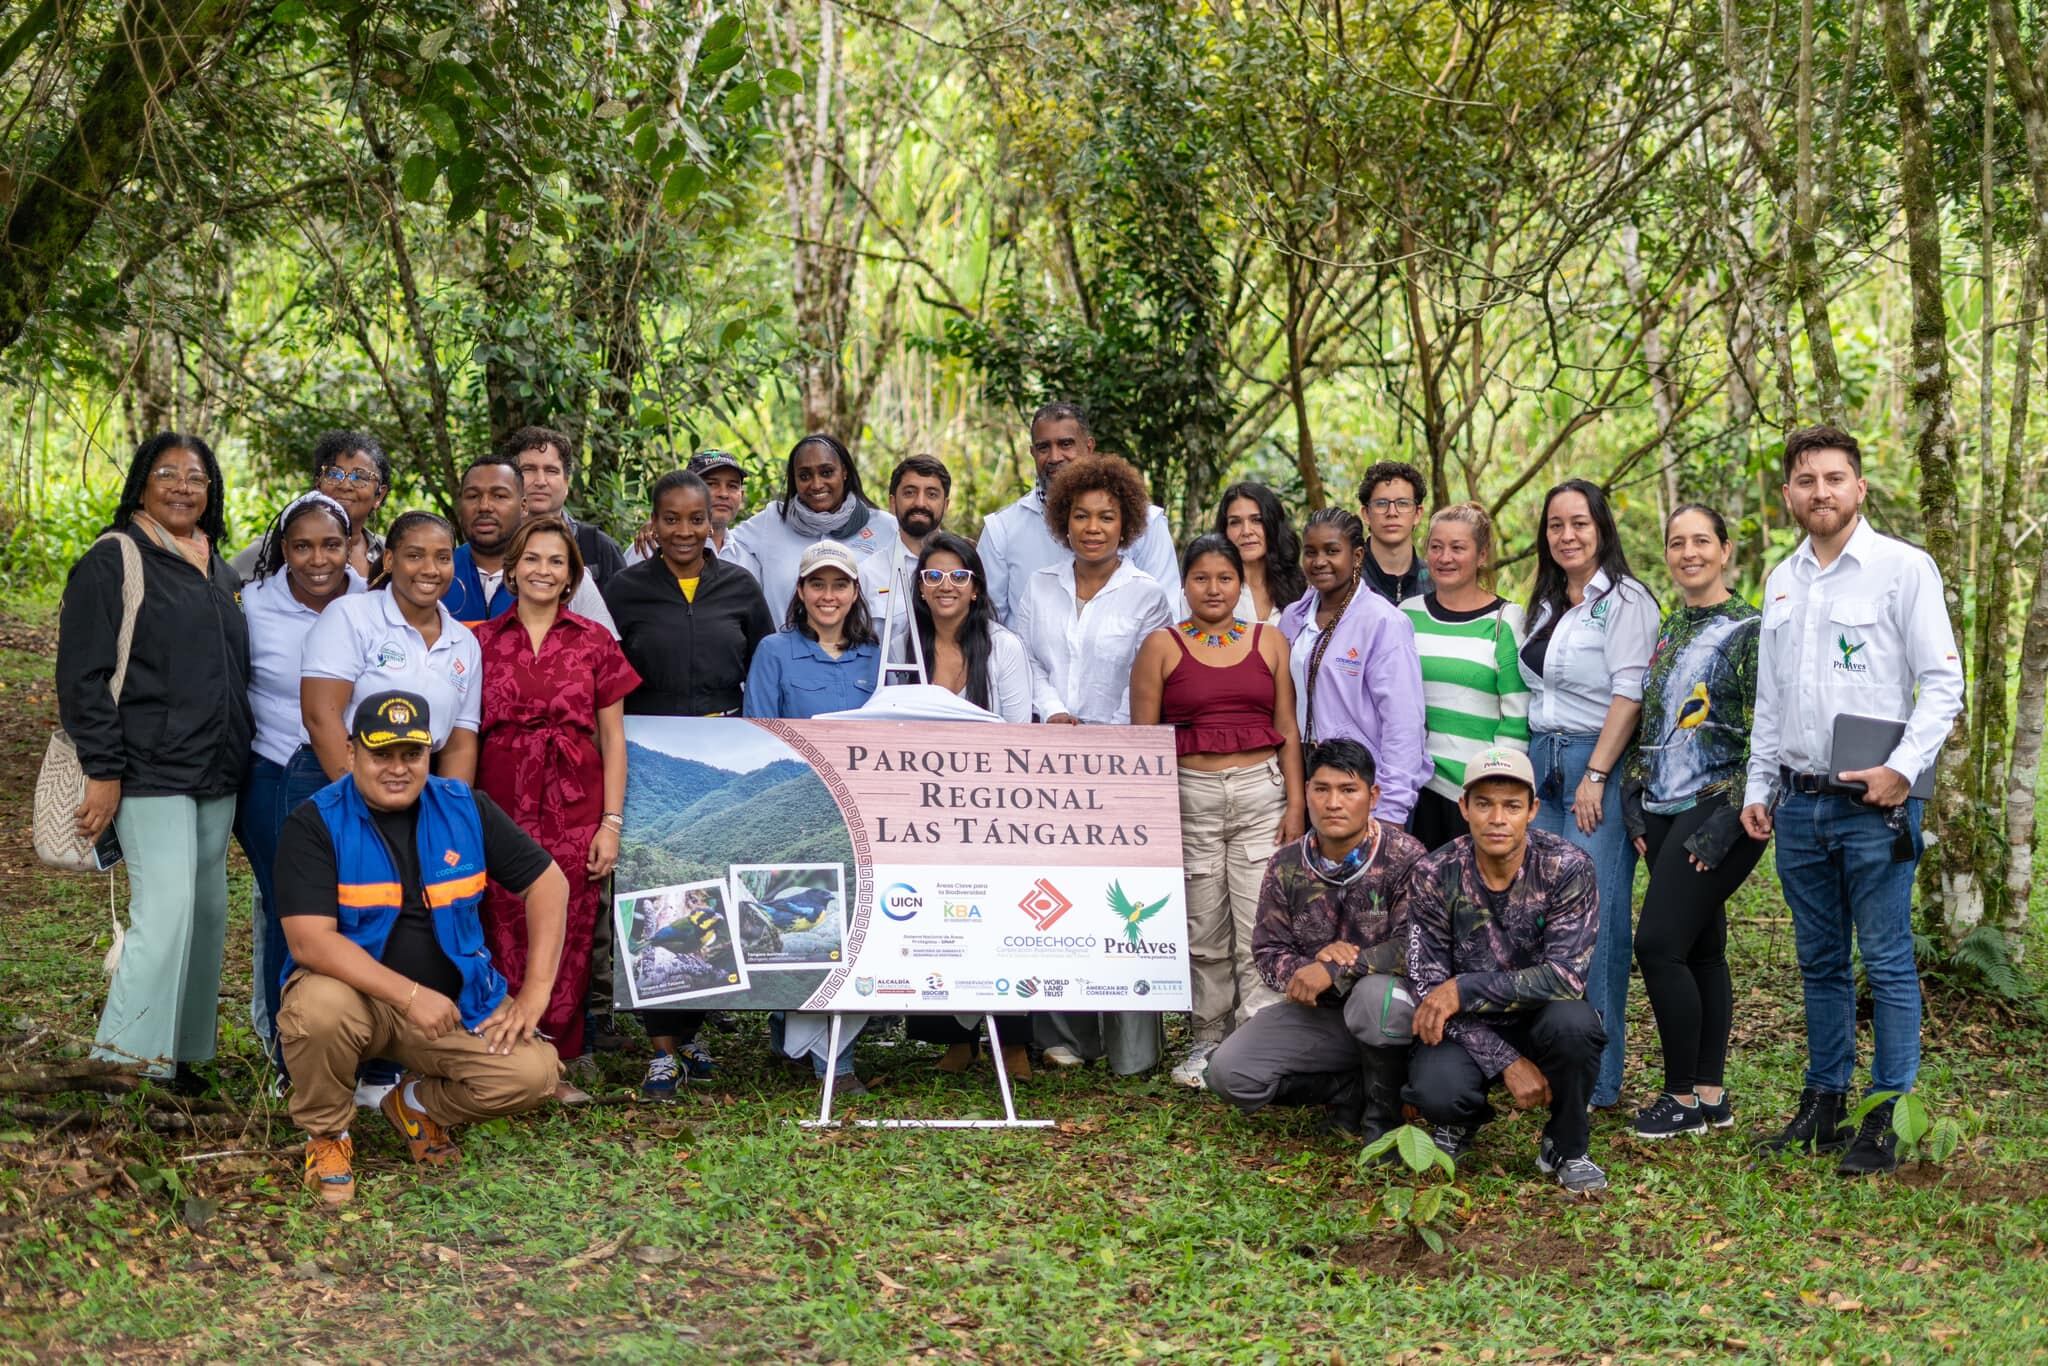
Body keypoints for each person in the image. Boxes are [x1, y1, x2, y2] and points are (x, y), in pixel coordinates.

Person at [1740, 426, 1964, 1177]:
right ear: (1789, 494)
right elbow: (1770, 700)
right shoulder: (1780, 580)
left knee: (1889, 963)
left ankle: (1886, 1115)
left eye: (1835, 478)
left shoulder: (1903, 569)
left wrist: (1903, 769)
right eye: (1806, 480)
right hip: (1799, 803)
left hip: (1875, 801)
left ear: (1859, 487)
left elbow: (1943, 683)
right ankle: (1824, 1103)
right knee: (1819, 962)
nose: (1821, 492)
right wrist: (1758, 787)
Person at [273, 691, 566, 1206]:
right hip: (356, 1001)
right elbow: (309, 941)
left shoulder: (465, 808)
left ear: (428, 755)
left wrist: (536, 992)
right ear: (350, 754)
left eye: (411, 754)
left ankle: (414, 1104)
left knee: (532, 1074)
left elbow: (548, 884)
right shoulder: (314, 823)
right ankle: (328, 1137)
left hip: (454, 1007)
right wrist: (409, 995)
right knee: (316, 1009)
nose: (397, 768)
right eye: (380, 754)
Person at [57, 432, 252, 1087]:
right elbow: (82, 676)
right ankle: (126, 1067)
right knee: (165, 913)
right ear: (141, 482)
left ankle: (185, 1056)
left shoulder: (220, 571)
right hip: (147, 771)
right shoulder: (114, 560)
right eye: (166, 473)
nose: (181, 486)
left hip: (215, 770)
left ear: (211, 490)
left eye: (195, 476)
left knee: (204, 916)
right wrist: (104, 771)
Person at [602, 469, 775, 1094]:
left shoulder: (740, 586)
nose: (683, 530)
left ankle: (693, 1034)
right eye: (670, 518)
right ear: (654, 521)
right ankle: (660, 1048)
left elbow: (765, 665)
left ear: (713, 522)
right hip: (651, 760)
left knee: (710, 896)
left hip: (723, 754)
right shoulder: (625, 590)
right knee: (655, 898)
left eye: (695, 519)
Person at [1013, 453, 1172, 1075]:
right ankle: (1063, 1036)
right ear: (1063, 521)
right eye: (1081, 515)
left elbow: (1152, 677)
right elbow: (1023, 661)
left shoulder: (1148, 594)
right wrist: (1052, 714)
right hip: (1048, 763)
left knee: (1122, 901)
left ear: (1127, 525)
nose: (1093, 527)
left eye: (1107, 516)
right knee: (1055, 895)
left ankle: (1132, 1047)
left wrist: (1115, 739)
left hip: (1120, 767)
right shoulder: (1038, 586)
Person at [473, 516, 640, 1100]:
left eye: (557, 562)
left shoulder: (594, 641)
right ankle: (501, 1055)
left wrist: (610, 823)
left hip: (575, 807)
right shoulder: (480, 641)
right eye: (534, 559)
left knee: (568, 928)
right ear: (514, 567)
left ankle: (556, 1061)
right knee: (499, 923)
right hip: (499, 803)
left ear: (572, 575)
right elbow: (463, 734)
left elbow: (614, 740)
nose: (544, 571)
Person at [1130, 534, 1305, 1088]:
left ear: (1240, 583)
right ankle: (1206, 1040)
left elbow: (1289, 729)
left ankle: (1259, 1040)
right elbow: (1144, 742)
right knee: (1204, 930)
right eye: (1201, 578)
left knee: (1259, 925)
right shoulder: (1161, 645)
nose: (1213, 588)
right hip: (1190, 797)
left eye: (1224, 578)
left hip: (1262, 795)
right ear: (1184, 584)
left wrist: (1297, 804)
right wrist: (1154, 818)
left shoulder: (1270, 641)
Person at [1404, 746, 1610, 1193]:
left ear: (1532, 810)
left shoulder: (1568, 867)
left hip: (1543, 1017)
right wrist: (1508, 1062)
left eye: (1512, 805)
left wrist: (1464, 987)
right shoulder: (1433, 873)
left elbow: (1564, 976)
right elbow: (1428, 987)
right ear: (1464, 807)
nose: (1498, 818)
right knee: (1437, 1086)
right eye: (1484, 804)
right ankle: (1461, 1120)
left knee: (1576, 1024)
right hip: (1468, 1025)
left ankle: (1567, 1144)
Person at [1621, 505, 1766, 1141]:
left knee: (1656, 944)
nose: (1688, 553)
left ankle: (1679, 1097)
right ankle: (1711, 1094)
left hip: (1719, 803)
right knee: (1702, 947)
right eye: (1677, 543)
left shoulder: (1752, 630)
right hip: (1663, 805)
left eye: (1701, 541)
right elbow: (1654, 716)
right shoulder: (1672, 624)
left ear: (1726, 550)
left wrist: (1729, 821)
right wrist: (1633, 785)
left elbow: (1772, 735)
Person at [1204, 739, 1427, 1142]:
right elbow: (1268, 951)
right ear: (1306, 793)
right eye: (1321, 789)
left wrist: (1337, 966)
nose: (1333, 803)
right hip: (1322, 1015)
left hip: (1392, 1016)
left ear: (1373, 796)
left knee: (1373, 996)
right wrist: (1303, 970)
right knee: (1230, 1073)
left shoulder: (1406, 856)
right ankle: (1351, 1089)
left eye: (1348, 790)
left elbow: (1415, 946)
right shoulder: (1287, 863)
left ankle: (1383, 1119)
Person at [1518, 478, 1658, 1111]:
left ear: (1601, 527)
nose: (1567, 535)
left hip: (1591, 765)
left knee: (1593, 927)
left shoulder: (1626, 600)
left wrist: (1596, 776)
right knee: (1542, 921)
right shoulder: (1546, 601)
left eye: (1579, 523)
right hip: (1539, 766)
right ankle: (1551, 1063)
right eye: (1555, 525)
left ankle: (1596, 1082)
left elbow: (1629, 695)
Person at [236, 491, 366, 1077]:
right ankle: (289, 1059)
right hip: (271, 773)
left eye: (332, 545)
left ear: (350, 547)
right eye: (303, 546)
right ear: (282, 549)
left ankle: (350, 1047)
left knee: (352, 910)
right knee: (291, 912)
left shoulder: (373, 602)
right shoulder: (252, 605)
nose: (319, 559)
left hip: (352, 775)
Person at [301, 511, 482, 786]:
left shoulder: (465, 642)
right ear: (389, 560)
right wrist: (365, 795)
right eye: (415, 555)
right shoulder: (351, 616)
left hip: (418, 782)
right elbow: (320, 716)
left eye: (443, 558)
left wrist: (450, 811)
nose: (431, 569)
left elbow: (460, 745)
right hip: (334, 775)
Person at [1276, 508, 1430, 825]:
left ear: (1357, 555)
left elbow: (1403, 724)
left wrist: (1391, 810)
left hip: (1362, 785)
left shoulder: (1384, 622)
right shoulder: (1294, 617)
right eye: (1311, 552)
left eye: (1332, 551)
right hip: (1308, 778)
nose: (1320, 562)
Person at [1402, 502, 1529, 851]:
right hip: (1419, 792)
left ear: (1482, 554)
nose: (1444, 557)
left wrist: (1494, 790)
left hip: (1478, 794)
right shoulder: (1406, 615)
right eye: (1436, 546)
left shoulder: (1506, 620)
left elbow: (1516, 719)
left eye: (1458, 547)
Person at [979, 403, 1176, 625]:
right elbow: (988, 626)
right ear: (1032, 453)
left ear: (1089, 446)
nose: (1055, 457)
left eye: (1066, 444)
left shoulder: (1147, 523)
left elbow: (1167, 620)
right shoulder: (1002, 530)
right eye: (1044, 447)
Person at [725, 433, 897, 618]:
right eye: (805, 476)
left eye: (826, 473)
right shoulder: (772, 521)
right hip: (783, 645)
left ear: (844, 472)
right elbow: (720, 547)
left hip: (862, 646)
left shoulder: (885, 527)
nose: (816, 484)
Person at [440, 456, 617, 635]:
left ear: (523, 506)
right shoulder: (435, 573)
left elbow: (605, 653)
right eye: (472, 496)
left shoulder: (561, 575)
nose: (484, 506)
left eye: (499, 496)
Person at [895, 532, 1032, 721]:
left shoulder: (1005, 647)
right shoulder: (900, 648)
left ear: (975, 588)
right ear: (921, 588)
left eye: (959, 577)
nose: (945, 586)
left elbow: (1018, 734)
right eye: (934, 576)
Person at [744, 540, 882, 720]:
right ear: (801, 590)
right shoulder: (773, 651)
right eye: (817, 585)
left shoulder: (874, 655)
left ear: (855, 592)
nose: (828, 596)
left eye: (840, 585)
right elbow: (759, 729)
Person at [231, 431, 391, 582]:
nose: (345, 485)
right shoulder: (270, 548)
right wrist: (241, 609)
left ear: (380, 495)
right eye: (334, 474)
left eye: (360, 477)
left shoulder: (390, 552)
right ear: (318, 485)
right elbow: (229, 591)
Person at [504, 426, 628, 589]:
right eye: (529, 469)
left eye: (551, 471)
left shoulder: (598, 548)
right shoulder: (496, 544)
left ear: (566, 482)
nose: (540, 481)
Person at [859, 454, 951, 656]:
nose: (920, 503)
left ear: (946, 504)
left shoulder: (965, 569)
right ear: (892, 503)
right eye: (909, 493)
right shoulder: (868, 573)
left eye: (932, 494)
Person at [1203, 481, 1306, 625]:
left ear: (1273, 524)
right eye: (1235, 522)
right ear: (1224, 530)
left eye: (1257, 520)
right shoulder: (1210, 589)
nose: (1246, 531)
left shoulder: (1299, 587)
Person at [1358, 460, 1432, 607]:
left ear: (1418, 514)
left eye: (1403, 503)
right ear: (1366, 514)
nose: (1392, 513)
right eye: (1381, 504)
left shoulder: (1436, 581)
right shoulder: (1345, 580)